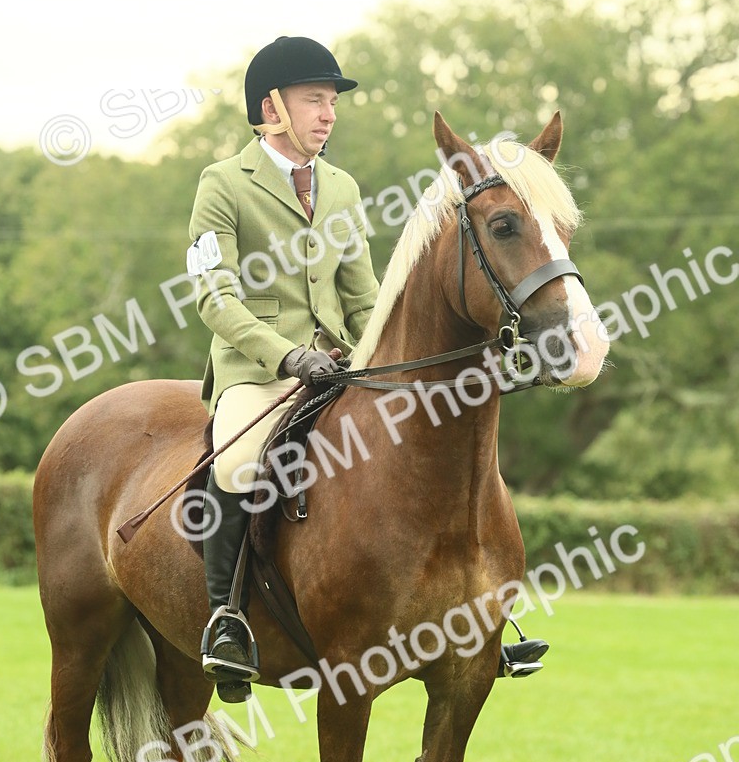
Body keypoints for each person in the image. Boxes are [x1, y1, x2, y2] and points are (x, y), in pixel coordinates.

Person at [188, 35, 548, 704]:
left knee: (436, 443)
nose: (328, 114)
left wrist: (382, 360)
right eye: (314, 100)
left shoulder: (343, 188)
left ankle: (477, 610)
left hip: (339, 364)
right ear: (272, 106)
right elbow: (214, 293)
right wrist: (284, 354)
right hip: (259, 368)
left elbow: (361, 296)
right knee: (237, 462)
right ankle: (226, 620)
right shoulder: (222, 184)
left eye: (331, 103)